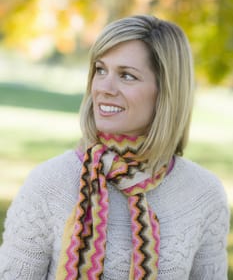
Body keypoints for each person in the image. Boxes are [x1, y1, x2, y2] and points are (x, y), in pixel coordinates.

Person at [0, 15, 230, 280]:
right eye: (100, 70)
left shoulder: (203, 194)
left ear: (166, 91)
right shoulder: (49, 184)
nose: (104, 88)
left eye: (127, 76)